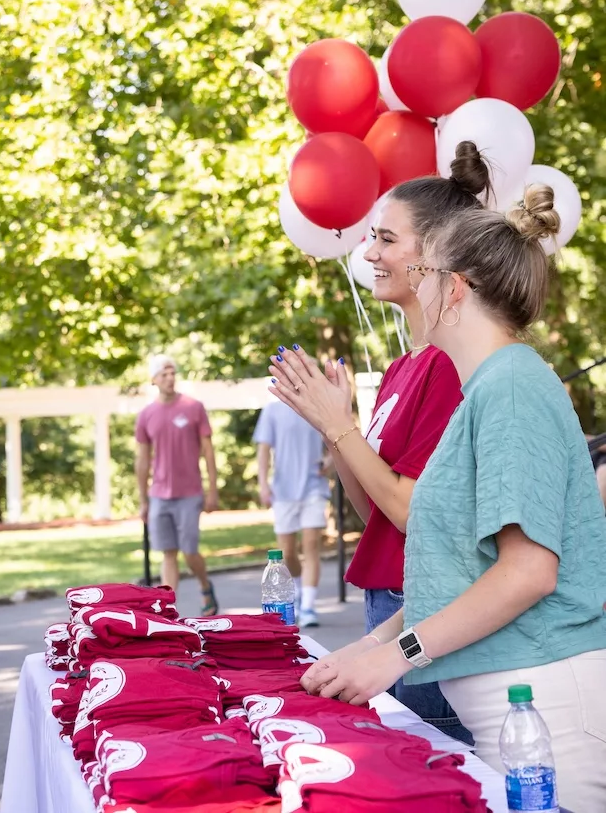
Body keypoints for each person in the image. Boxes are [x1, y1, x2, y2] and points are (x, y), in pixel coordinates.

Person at [297, 184, 606, 810]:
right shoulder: (487, 387)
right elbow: (461, 577)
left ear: (455, 288)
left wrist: (397, 657)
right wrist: (367, 648)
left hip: (544, 708)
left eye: (425, 271)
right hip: (513, 707)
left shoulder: (513, 385)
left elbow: (528, 573)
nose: (412, 282)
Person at [266, 143, 493, 744]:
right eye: (369, 237)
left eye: (386, 239)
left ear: (438, 254)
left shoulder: (450, 366)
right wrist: (334, 429)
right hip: (390, 604)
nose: (367, 252)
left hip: (428, 614)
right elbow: (376, 518)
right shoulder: (401, 368)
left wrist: (341, 428)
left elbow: (417, 513)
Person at [135, 355, 220, 615]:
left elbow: (208, 451)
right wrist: (142, 499)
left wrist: (213, 489)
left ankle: (205, 586)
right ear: (154, 380)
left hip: (190, 492)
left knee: (189, 551)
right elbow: (142, 459)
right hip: (159, 495)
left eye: (172, 372)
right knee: (168, 553)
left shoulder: (194, 407)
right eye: (164, 374)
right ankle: (168, 611)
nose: (170, 378)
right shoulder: (146, 415)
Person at [253, 398, 330, 627]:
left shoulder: (316, 405)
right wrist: (263, 484)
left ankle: (308, 606)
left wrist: (329, 461)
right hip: (283, 491)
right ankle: (295, 588)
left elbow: (335, 440)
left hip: (313, 487)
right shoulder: (272, 410)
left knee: (312, 544)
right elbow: (264, 449)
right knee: (287, 552)